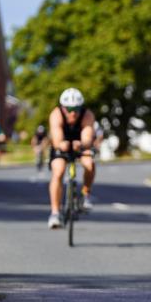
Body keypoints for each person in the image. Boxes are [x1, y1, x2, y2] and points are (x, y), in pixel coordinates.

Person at [47, 88, 96, 229]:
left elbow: (88, 136)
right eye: (69, 109)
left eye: (76, 109)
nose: (73, 113)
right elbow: (57, 138)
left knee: (89, 163)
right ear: (63, 108)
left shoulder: (87, 115)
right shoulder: (56, 114)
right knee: (58, 171)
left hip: (80, 144)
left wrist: (81, 144)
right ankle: (55, 213)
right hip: (62, 144)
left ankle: (85, 195)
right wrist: (62, 144)